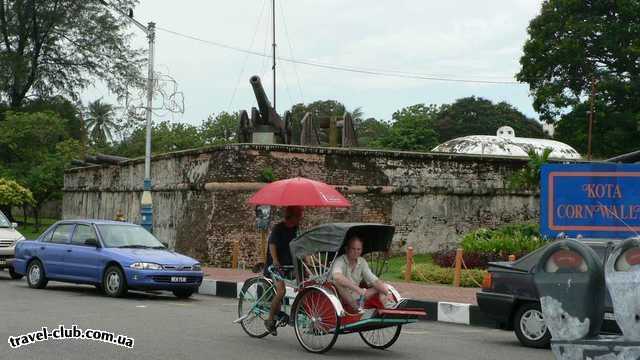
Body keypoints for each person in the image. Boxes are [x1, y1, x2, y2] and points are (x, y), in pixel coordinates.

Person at [263, 206, 304, 335]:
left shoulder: (296, 230)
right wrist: (275, 260)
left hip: (290, 264)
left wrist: (307, 261)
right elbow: (272, 244)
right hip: (276, 265)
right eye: (299, 216)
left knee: (305, 284)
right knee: (281, 291)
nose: (301, 218)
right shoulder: (278, 228)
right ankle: (270, 320)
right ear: (292, 216)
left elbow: (301, 246)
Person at [331, 235, 395, 312]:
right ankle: (357, 309)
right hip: (341, 296)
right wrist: (358, 289)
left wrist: (387, 292)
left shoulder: (361, 261)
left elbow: (373, 280)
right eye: (353, 249)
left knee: (382, 286)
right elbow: (337, 276)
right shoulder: (340, 261)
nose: (356, 252)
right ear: (347, 249)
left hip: (359, 294)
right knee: (338, 283)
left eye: (358, 249)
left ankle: (389, 308)